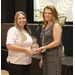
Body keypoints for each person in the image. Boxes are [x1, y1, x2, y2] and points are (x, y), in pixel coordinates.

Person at [34, 5, 63, 75]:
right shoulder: (45, 26)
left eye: (49, 13)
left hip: (54, 57)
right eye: (45, 13)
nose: (47, 15)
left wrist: (43, 48)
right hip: (46, 57)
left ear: (54, 14)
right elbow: (44, 42)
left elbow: (56, 42)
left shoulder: (56, 25)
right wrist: (42, 58)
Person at [6, 11, 34, 75]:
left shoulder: (27, 30)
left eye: (23, 18)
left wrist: (33, 47)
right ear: (16, 20)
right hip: (16, 63)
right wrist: (25, 49)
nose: (22, 20)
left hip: (27, 62)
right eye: (20, 18)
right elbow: (9, 46)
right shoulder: (13, 30)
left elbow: (27, 45)